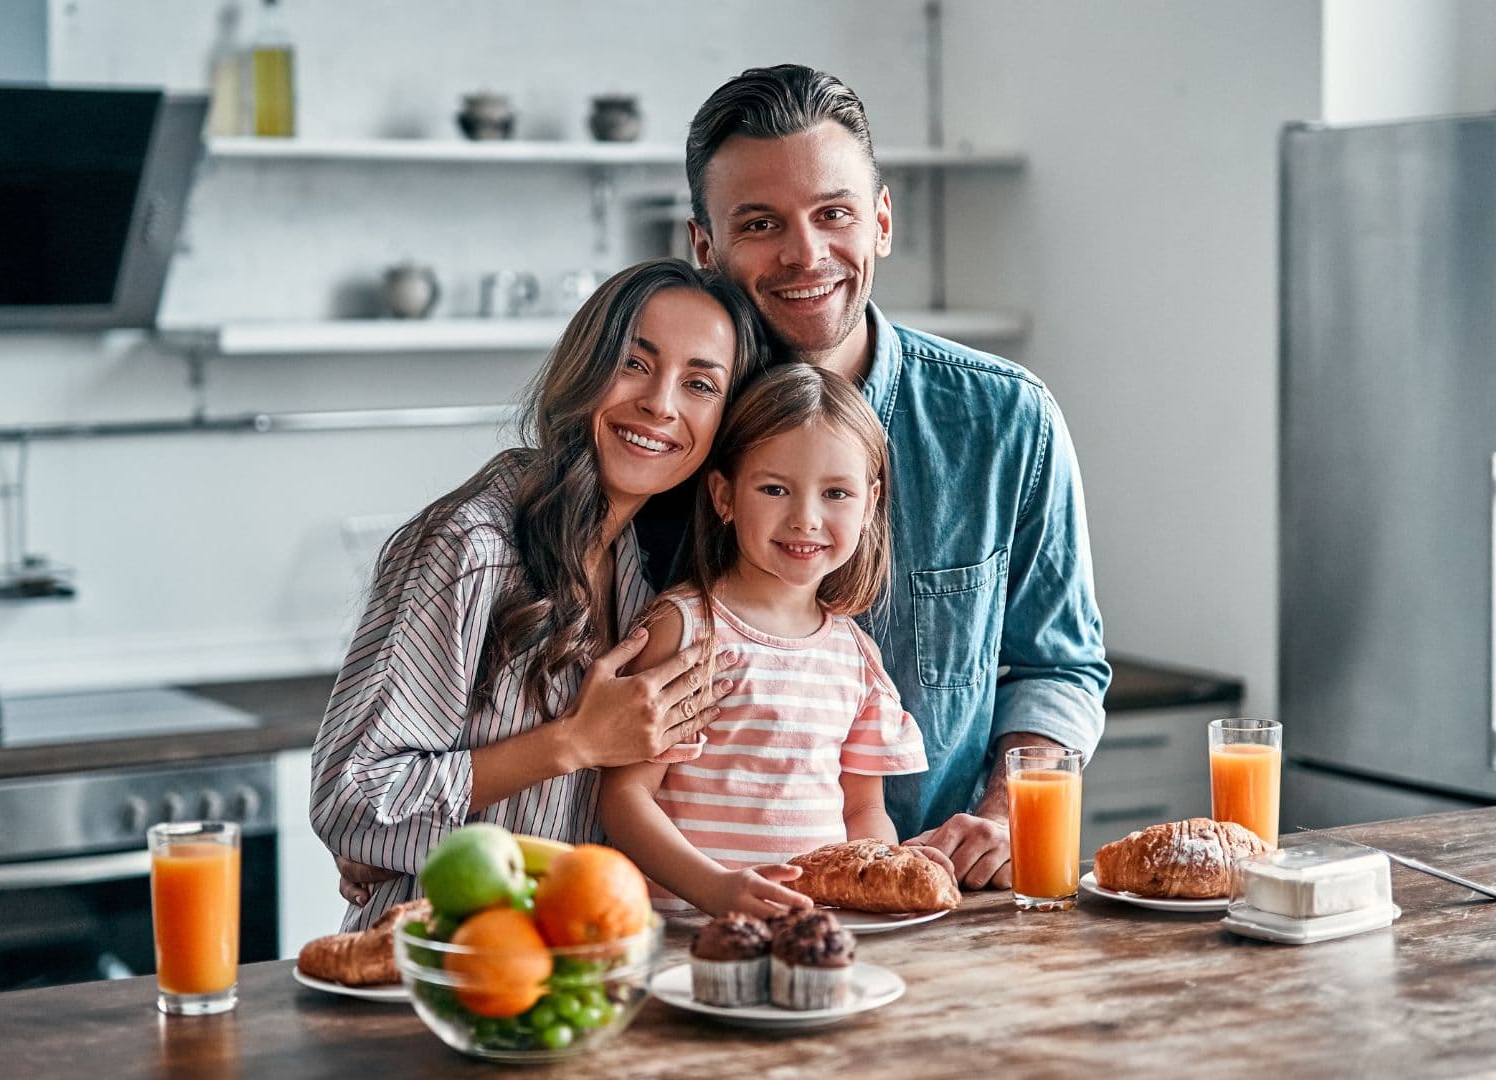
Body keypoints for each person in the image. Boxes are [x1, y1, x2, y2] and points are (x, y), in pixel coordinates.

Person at [676, 64, 1110, 890]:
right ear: (705, 248)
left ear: (880, 220)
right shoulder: (671, 435)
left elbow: (1059, 665)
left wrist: (1012, 805)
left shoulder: (1005, 419)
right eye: (761, 223)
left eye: (833, 213)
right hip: (704, 924)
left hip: (947, 905)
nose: (806, 254)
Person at [310, 258, 769, 929]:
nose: (661, 403)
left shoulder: (642, 567)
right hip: (442, 971)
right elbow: (351, 800)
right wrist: (574, 742)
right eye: (635, 363)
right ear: (585, 367)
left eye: (700, 384)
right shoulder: (470, 548)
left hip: (572, 969)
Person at [601, 364, 947, 918]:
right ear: (724, 496)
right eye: (774, 488)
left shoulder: (856, 658)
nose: (805, 519)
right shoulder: (687, 629)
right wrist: (716, 889)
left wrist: (889, 862)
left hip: (815, 930)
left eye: (836, 492)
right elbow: (624, 799)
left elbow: (863, 811)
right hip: (692, 932)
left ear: (869, 502)